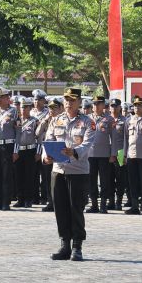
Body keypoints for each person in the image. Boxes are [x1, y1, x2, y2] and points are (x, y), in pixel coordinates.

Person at [43, 88, 94, 260]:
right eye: (66, 99)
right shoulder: (56, 120)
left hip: (78, 171)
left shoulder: (87, 122)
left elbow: (87, 144)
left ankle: (77, 246)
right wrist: (46, 156)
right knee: (60, 209)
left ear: (79, 102)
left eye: (72, 100)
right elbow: (48, 140)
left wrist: (74, 151)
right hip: (58, 170)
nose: (68, 103)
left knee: (76, 209)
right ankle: (65, 244)